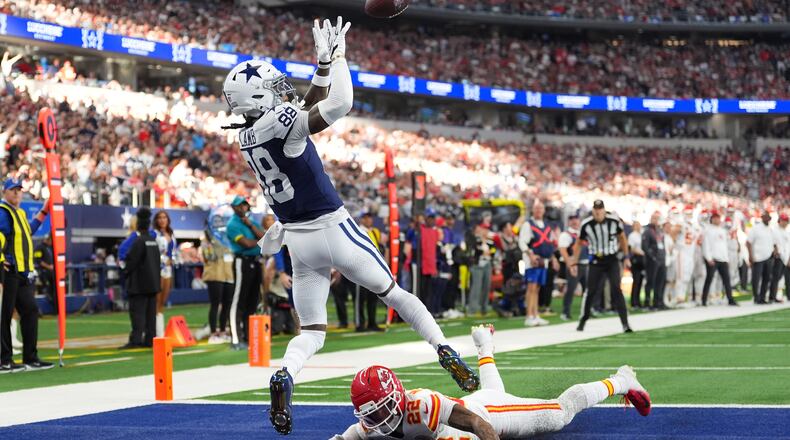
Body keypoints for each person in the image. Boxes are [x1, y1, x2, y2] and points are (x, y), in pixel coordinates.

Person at [221, 17, 478, 434]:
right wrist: (338, 59)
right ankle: (444, 350)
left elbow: (299, 110)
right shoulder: (278, 123)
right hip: (333, 229)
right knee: (396, 294)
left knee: (314, 331)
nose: (282, 91)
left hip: (299, 243)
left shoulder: (248, 137)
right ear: (257, 99)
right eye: (272, 89)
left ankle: (286, 374)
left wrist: (320, 68)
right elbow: (338, 104)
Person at [331, 325, 651, 440]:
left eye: (379, 411)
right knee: (493, 390)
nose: (374, 422)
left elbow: (476, 423)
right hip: (477, 406)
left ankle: (620, 380)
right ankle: (484, 347)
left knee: (558, 414)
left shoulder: (422, 404)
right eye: (368, 414)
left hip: (487, 415)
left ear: (397, 398)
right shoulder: (370, 426)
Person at [0, 178, 52, 372]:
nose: (16, 193)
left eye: (19, 190)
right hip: (9, 271)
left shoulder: (19, 213)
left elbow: (28, 231)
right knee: (4, 315)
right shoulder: (3, 212)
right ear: (4, 192)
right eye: (12, 190)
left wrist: (44, 211)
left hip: (21, 272)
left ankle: (30, 357)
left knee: (29, 310)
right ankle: (4, 359)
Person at [569, 200, 633, 333]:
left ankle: (625, 323)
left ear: (604, 210)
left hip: (611, 259)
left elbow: (622, 237)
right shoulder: (586, 224)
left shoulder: (614, 221)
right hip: (596, 261)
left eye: (600, 209)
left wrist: (626, 256)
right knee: (591, 291)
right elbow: (579, 243)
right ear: (593, 210)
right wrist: (574, 262)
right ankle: (583, 319)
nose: (598, 212)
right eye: (596, 209)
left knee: (616, 289)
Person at [225, 195, 264, 349]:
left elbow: (264, 237)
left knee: (252, 301)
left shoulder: (251, 221)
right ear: (234, 208)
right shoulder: (232, 224)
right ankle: (236, 339)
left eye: (245, 205)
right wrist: (260, 241)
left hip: (255, 261)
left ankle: (249, 337)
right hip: (242, 261)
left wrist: (251, 226)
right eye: (239, 205)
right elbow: (247, 244)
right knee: (239, 300)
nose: (243, 208)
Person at [120, 207, 161, 349]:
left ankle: (136, 340)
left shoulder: (138, 241)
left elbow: (131, 262)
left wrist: (125, 271)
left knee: (137, 314)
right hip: (153, 284)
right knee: (150, 315)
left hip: (139, 285)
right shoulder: (153, 241)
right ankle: (150, 339)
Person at [519, 201, 559, 327]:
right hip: (533, 260)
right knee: (531, 287)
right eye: (536, 208)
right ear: (532, 210)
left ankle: (535, 314)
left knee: (537, 288)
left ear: (544, 210)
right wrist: (530, 255)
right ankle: (529, 315)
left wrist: (553, 258)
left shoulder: (546, 225)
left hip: (544, 260)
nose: (538, 211)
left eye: (540, 208)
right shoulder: (528, 224)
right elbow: (522, 242)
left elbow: (550, 243)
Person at [200, 229, 234, 344]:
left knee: (227, 304)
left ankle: (223, 331)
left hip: (229, 274)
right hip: (214, 274)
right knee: (215, 304)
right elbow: (210, 256)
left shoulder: (228, 235)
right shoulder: (207, 238)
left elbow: (233, 253)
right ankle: (213, 333)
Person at [701, 212, 738, 307]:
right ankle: (704, 299)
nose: (717, 220)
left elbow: (724, 246)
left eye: (718, 218)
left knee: (726, 280)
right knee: (709, 279)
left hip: (723, 259)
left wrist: (726, 258)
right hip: (713, 258)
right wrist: (708, 258)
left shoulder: (722, 231)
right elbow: (706, 245)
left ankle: (730, 299)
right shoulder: (708, 230)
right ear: (712, 219)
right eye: (715, 218)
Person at [357, 212, 385, 331]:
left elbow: (379, 247)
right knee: (360, 298)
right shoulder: (358, 230)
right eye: (366, 218)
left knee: (372, 297)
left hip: (374, 268)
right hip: (361, 267)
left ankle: (372, 322)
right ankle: (360, 323)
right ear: (362, 219)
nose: (369, 220)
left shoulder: (375, 231)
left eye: (370, 217)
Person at [153, 210, 177, 337]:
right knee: (157, 300)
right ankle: (158, 333)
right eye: (159, 218)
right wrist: (163, 260)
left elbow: (174, 251)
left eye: (164, 217)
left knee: (163, 300)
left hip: (168, 269)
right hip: (158, 269)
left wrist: (172, 260)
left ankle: (160, 330)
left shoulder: (171, 233)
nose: (162, 220)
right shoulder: (154, 234)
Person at [747, 211, 776, 304]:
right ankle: (756, 297)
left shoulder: (770, 229)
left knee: (767, 278)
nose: (767, 219)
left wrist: (775, 250)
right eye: (765, 217)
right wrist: (751, 256)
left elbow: (773, 243)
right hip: (758, 257)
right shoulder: (756, 228)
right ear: (762, 217)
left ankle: (762, 297)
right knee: (756, 278)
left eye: (768, 217)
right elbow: (748, 242)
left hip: (768, 257)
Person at [642, 212, 668, 310]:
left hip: (661, 259)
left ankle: (658, 302)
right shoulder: (647, 231)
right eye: (654, 219)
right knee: (650, 282)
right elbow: (645, 246)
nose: (656, 221)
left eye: (657, 219)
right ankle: (647, 303)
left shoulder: (659, 231)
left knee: (660, 281)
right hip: (652, 261)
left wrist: (663, 257)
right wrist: (652, 257)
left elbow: (662, 245)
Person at [558, 214, 581, 321]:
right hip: (573, 265)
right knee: (570, 289)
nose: (574, 221)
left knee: (589, 289)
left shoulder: (581, 233)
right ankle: (565, 312)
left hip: (584, 263)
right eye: (572, 219)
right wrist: (570, 264)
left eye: (576, 219)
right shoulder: (566, 235)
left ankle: (588, 310)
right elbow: (563, 250)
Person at [769, 213, 789, 303]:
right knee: (775, 278)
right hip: (778, 257)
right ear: (779, 220)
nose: (785, 222)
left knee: (781, 279)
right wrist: (775, 250)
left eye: (786, 221)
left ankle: (777, 296)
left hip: (786, 258)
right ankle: (772, 296)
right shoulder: (775, 230)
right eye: (783, 220)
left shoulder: (787, 232)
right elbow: (773, 242)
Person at [34, 234, 55, 309]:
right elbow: (38, 260)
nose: (52, 243)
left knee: (54, 289)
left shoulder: (50, 247)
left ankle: (55, 306)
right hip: (44, 272)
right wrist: (48, 266)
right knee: (47, 289)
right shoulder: (39, 247)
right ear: (48, 239)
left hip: (51, 272)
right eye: (51, 241)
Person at [628, 222, 645, 309]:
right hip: (636, 259)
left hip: (642, 260)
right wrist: (642, 253)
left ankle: (638, 301)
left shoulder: (641, 235)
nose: (639, 227)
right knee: (636, 281)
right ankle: (634, 302)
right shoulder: (632, 235)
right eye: (637, 225)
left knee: (640, 281)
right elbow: (631, 248)